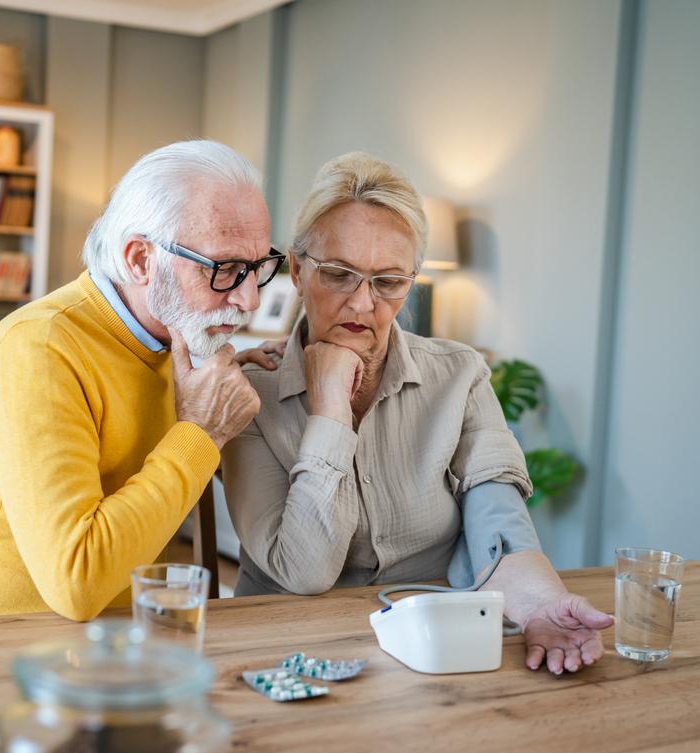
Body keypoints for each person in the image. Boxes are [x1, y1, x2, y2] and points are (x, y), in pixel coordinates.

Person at [221, 152, 613, 674]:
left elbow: (496, 512)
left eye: (388, 282)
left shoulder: (459, 376)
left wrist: (538, 604)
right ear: (296, 269)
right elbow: (304, 571)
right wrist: (331, 410)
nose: (363, 305)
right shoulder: (248, 395)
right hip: (283, 648)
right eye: (339, 275)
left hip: (428, 648)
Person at [0, 140, 286, 622]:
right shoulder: (39, 347)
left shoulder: (178, 349)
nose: (250, 300)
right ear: (140, 260)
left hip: (112, 646)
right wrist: (201, 434)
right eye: (227, 269)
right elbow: (77, 582)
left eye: (257, 268)